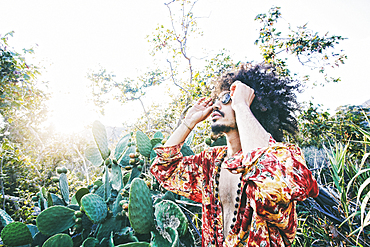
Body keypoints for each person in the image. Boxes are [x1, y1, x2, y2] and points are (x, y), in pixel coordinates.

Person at [150, 63, 319, 247]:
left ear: (252, 102)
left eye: (225, 97)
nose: (215, 105)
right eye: (216, 99)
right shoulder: (210, 162)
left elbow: (272, 186)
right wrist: (188, 122)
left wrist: (241, 105)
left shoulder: (285, 158)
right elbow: (164, 169)